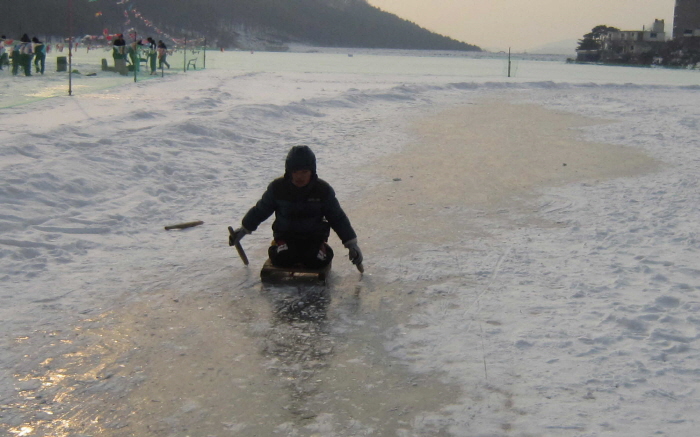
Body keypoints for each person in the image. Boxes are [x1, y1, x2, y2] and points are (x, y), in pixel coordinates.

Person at [229, 145, 363, 270]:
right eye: (295, 172)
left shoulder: (322, 190)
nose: (300, 176)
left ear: (312, 171)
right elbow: (260, 210)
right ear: (289, 171)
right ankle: (278, 247)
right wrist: (244, 229)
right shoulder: (278, 188)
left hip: (313, 238)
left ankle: (321, 248)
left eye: (304, 171)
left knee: (316, 261)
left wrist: (351, 244)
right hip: (286, 236)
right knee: (283, 259)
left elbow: (337, 218)